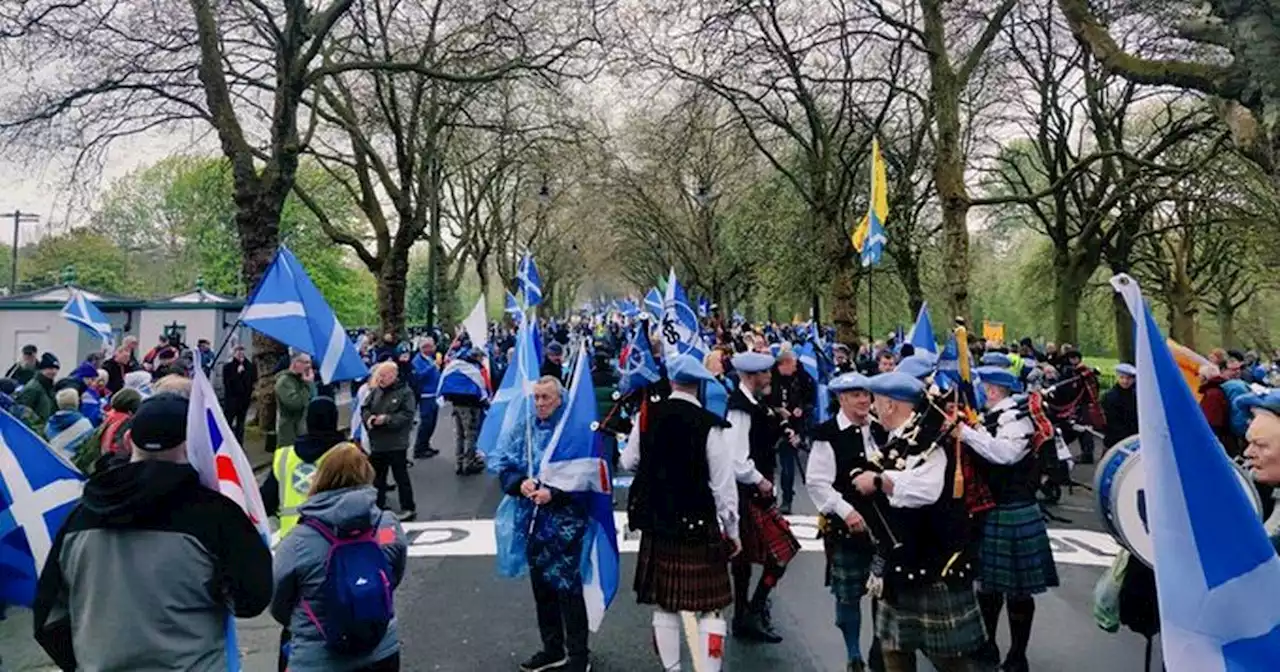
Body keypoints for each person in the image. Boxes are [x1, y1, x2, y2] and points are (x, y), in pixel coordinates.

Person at [32, 392, 273, 671]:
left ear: (127, 439)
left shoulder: (79, 516)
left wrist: (86, 661)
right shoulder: (216, 515)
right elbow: (252, 599)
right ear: (191, 444)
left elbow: (48, 613)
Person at [852, 372, 985, 672]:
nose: (872, 407)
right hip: (901, 559)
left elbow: (926, 490)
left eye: (876, 401)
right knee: (894, 650)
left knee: (949, 659)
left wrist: (879, 480)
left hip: (931, 562)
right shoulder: (901, 439)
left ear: (890, 405)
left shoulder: (930, 441)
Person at [622, 355, 740, 672]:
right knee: (712, 609)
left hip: (659, 523)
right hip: (699, 524)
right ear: (699, 383)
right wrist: (733, 530)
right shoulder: (709, 424)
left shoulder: (648, 417)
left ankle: (672, 670)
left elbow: (629, 462)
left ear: (671, 380)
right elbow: (723, 487)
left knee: (665, 606)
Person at [270, 443, 408, 672]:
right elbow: (394, 574)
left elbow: (278, 599)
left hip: (317, 657)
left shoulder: (299, 540)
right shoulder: (388, 525)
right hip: (381, 649)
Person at [958, 367, 1058, 672]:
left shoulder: (1017, 419)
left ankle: (1018, 656)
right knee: (987, 588)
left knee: (1018, 591)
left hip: (1014, 508)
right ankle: (987, 645)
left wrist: (968, 434)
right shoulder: (995, 417)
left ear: (991, 390)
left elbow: (1005, 455)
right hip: (993, 509)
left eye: (982, 386)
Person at [492, 376, 593, 672]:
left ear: (560, 399)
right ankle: (552, 649)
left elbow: (588, 476)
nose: (539, 403)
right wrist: (519, 483)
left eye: (546, 397)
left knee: (568, 590)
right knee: (542, 590)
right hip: (533, 521)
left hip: (565, 525)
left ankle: (578, 655)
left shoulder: (572, 432)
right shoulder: (523, 429)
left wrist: (556, 493)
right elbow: (506, 467)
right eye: (536, 397)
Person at [807, 372, 889, 672]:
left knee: (885, 591)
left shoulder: (880, 430)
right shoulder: (827, 434)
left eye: (866, 394)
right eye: (856, 395)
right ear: (841, 399)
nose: (864, 400)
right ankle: (854, 654)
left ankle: (880, 646)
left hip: (884, 527)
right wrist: (846, 512)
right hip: (847, 527)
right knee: (849, 593)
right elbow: (817, 483)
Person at [724, 351, 800, 643]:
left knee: (747, 559)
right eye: (766, 373)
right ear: (751, 376)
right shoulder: (740, 408)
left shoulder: (755, 404)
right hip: (750, 491)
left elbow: (761, 436)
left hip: (754, 491)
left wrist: (782, 430)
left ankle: (746, 614)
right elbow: (736, 458)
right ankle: (749, 612)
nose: (770, 376)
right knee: (779, 553)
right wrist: (761, 480)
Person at [266, 396, 350, 537]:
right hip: (334, 537)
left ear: (308, 420)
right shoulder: (347, 455)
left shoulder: (285, 456)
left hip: (292, 537)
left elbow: (267, 500)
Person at [362, 361, 418, 522]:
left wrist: (387, 419)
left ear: (393, 375)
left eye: (383, 375)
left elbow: (407, 415)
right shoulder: (375, 392)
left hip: (396, 442)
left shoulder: (405, 392)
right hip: (377, 442)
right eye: (378, 375)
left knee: (401, 476)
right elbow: (365, 408)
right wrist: (369, 418)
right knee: (376, 478)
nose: (380, 378)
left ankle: (408, 507)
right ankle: (377, 506)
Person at [769, 349, 816, 515]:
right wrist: (777, 410)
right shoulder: (769, 376)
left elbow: (809, 396)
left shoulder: (799, 376)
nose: (795, 368)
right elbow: (763, 400)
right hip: (771, 426)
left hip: (793, 426)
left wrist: (801, 409)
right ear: (785, 363)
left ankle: (787, 499)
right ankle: (768, 498)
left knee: (787, 463)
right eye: (793, 365)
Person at [442, 349, 489, 475]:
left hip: (456, 404)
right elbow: (481, 389)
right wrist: (486, 403)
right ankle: (469, 463)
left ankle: (459, 463)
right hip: (471, 405)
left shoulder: (455, 366)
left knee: (460, 435)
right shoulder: (473, 370)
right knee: (471, 435)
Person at [277, 352, 317, 451]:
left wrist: (310, 384)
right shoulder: (284, 382)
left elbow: (314, 399)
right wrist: (307, 384)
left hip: (304, 430)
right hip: (290, 434)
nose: (309, 366)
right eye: (306, 363)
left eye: (310, 363)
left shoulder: (303, 379)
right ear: (296, 363)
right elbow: (296, 404)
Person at [411, 338, 442, 459]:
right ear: (424, 348)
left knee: (432, 423)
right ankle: (419, 449)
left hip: (435, 394)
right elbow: (418, 376)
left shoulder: (430, 359)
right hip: (426, 396)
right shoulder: (417, 360)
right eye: (431, 346)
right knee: (426, 422)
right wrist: (433, 367)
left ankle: (426, 445)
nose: (433, 349)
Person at [1198, 364, 1238, 456]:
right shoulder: (1216, 391)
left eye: (1199, 375)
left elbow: (1210, 422)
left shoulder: (1212, 395)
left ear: (1204, 378)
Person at [45, 388, 95, 460]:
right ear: (76, 402)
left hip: (51, 459)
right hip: (72, 465)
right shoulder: (85, 424)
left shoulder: (49, 423)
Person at [222, 344, 256, 444]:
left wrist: (244, 374)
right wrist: (237, 374)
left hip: (243, 401)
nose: (240, 353)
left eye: (242, 351)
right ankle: (225, 443)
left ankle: (239, 444)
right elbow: (228, 384)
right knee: (228, 422)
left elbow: (251, 382)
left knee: (240, 425)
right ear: (234, 353)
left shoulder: (249, 366)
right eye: (238, 351)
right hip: (231, 400)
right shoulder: (228, 367)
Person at [16, 353, 60, 425]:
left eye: (56, 369)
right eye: (50, 368)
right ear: (42, 369)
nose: (54, 372)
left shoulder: (50, 388)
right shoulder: (33, 388)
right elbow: (23, 412)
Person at [1101, 363, 1138, 448]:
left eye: (1128, 378)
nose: (1125, 381)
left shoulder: (1137, 395)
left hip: (1134, 439)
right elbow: (1111, 421)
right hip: (1115, 441)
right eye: (1122, 377)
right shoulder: (1109, 397)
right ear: (1117, 378)